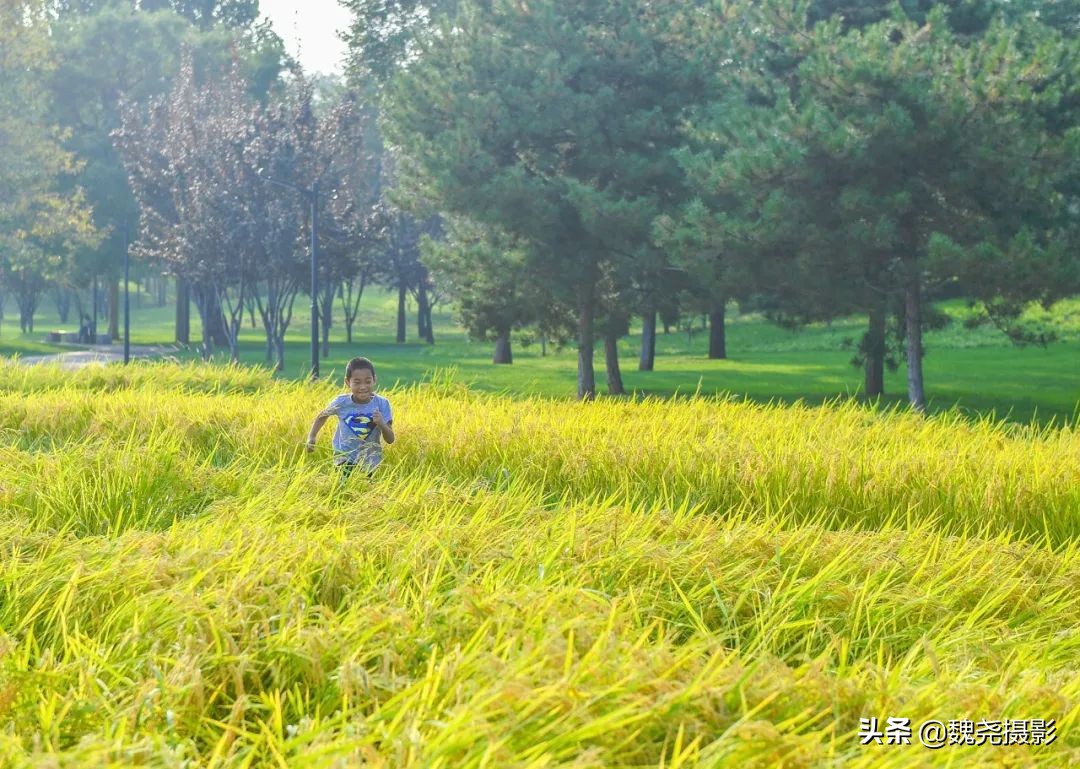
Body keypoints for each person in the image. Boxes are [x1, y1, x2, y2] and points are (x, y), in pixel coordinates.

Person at [306, 356, 395, 477]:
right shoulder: (341, 402)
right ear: (347, 382)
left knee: (365, 492)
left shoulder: (382, 404)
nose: (363, 387)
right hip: (344, 458)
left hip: (370, 461)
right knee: (343, 491)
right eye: (357, 382)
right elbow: (322, 416)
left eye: (368, 381)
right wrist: (311, 437)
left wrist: (382, 424)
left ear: (374, 380)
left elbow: (390, 440)